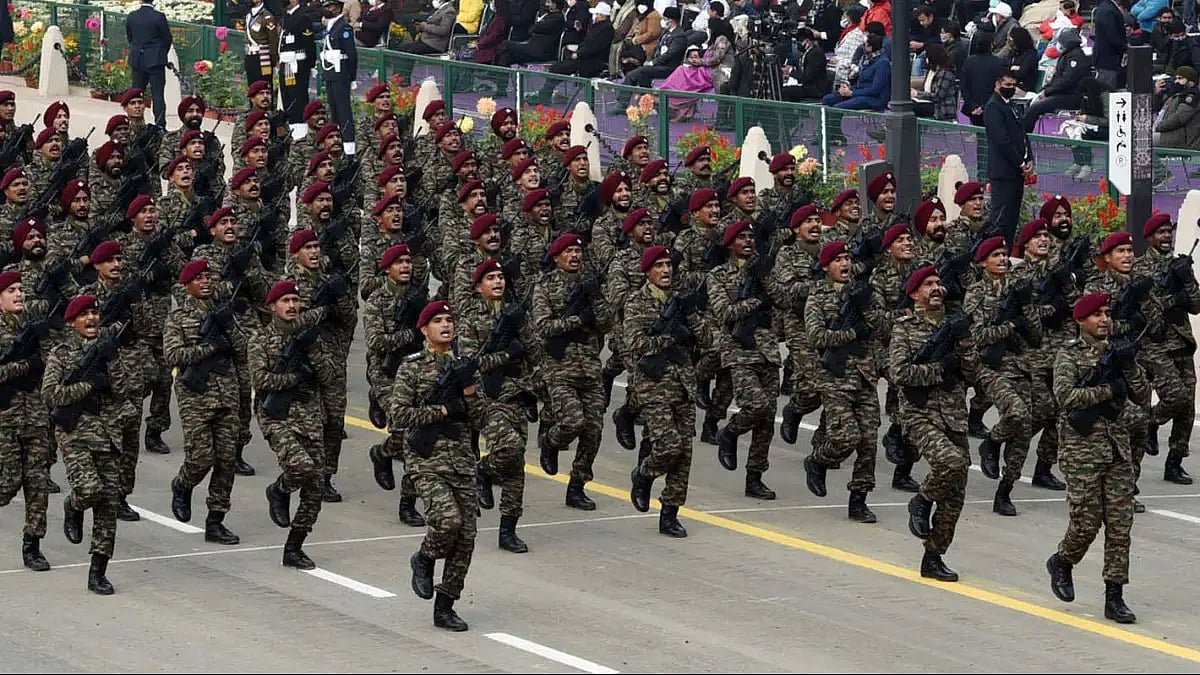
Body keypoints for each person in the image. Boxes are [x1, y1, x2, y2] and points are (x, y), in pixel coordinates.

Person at [1045, 293, 1148, 624]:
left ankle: (1114, 595)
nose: (1104, 319)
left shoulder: (1119, 352)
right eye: (1097, 314)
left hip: (1117, 449)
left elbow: (1143, 395)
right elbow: (1065, 397)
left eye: (1107, 313)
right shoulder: (1069, 356)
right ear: (1081, 321)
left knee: (1120, 525)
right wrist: (1105, 392)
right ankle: (1062, 561)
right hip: (1082, 451)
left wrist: (1130, 366)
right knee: (1086, 524)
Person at [393, 301, 484, 632]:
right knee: (448, 521)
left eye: (449, 320)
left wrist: (470, 390)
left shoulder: (463, 368)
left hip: (461, 461)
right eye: (437, 320)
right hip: (426, 460)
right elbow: (399, 415)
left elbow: (481, 418)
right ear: (424, 330)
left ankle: (445, 607)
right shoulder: (412, 367)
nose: (446, 325)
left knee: (466, 538)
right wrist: (442, 412)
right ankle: (425, 557)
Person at [45, 295, 133, 595]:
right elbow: (52, 395)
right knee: (89, 491)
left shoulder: (109, 350)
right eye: (85, 314)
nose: (92, 318)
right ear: (72, 322)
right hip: (75, 434)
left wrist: (112, 360)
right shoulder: (61, 354)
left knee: (108, 506)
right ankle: (74, 505)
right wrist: (88, 385)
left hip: (107, 435)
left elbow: (124, 391)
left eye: (95, 313)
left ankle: (98, 571)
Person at [892, 266, 975, 582]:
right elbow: (900, 374)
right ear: (915, 294)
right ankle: (921, 499)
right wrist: (941, 368)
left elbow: (974, 373)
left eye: (939, 282)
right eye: (928, 284)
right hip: (919, 413)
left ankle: (933, 556)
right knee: (951, 463)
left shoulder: (955, 325)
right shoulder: (904, 329)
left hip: (953, 417)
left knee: (955, 494)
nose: (937, 288)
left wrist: (965, 346)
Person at [255, 281, 332, 570]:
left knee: (315, 488)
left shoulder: (310, 338)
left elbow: (328, 377)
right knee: (302, 467)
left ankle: (294, 547)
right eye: (285, 301)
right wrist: (293, 378)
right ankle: (279, 490)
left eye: (295, 301)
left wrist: (312, 355)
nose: (291, 306)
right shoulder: (260, 340)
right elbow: (260, 380)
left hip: (310, 417)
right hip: (277, 415)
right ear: (272, 306)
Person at [0, 270, 52, 572]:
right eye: (11, 290)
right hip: (5, 418)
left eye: (21, 290)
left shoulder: (34, 328)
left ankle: (32, 544)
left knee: (38, 482)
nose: (19, 294)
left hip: (35, 415)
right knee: (6, 484)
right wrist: (24, 365)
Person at [983, 72, 1033, 244]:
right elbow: (1002, 140)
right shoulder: (993, 107)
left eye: (1013, 85)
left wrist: (1029, 159)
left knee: (1012, 220)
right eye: (1007, 85)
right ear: (997, 85)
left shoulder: (1011, 105)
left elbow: (1022, 134)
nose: (1011, 89)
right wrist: (1021, 163)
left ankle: (1007, 252)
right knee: (1000, 220)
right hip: (1003, 172)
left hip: (1016, 173)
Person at [125, 0, 173, 127]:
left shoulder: (132, 16)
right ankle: (160, 125)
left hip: (137, 59)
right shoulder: (159, 17)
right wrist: (160, 53)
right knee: (157, 94)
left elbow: (130, 37)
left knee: (136, 93)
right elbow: (167, 39)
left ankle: (134, 122)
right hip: (155, 60)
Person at [319, 0, 358, 155]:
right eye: (326, 6)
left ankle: (349, 146)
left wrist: (352, 76)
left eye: (330, 6)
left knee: (343, 111)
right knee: (334, 110)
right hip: (331, 73)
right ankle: (336, 142)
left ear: (338, 8)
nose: (327, 9)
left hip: (341, 73)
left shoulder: (344, 27)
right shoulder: (331, 25)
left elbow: (352, 54)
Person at [279, 0, 317, 135]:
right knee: (286, 97)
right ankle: (291, 130)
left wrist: (311, 64)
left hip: (297, 65)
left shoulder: (303, 17)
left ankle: (300, 133)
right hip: (285, 64)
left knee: (297, 98)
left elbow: (309, 44)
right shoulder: (286, 16)